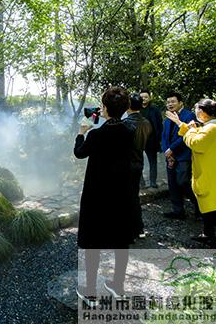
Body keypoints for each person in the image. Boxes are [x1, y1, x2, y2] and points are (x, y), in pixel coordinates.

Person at [74, 86, 134, 302]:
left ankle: (90, 292)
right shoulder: (130, 131)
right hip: (122, 193)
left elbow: (79, 153)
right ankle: (118, 286)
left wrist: (81, 132)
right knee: (120, 240)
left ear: (105, 108)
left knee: (92, 241)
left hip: (97, 193)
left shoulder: (96, 134)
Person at [166, 99, 216, 248]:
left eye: (196, 110)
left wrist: (189, 129)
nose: (195, 113)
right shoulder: (211, 125)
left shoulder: (212, 128)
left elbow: (196, 143)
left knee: (214, 210)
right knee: (207, 208)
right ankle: (208, 235)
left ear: (202, 112)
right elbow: (196, 134)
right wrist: (180, 123)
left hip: (209, 173)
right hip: (209, 171)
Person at [162, 92, 198, 219]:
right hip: (170, 156)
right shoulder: (168, 118)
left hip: (183, 155)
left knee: (183, 182)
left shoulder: (189, 115)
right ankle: (178, 211)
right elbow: (164, 137)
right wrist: (167, 152)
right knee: (172, 184)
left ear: (180, 103)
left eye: (173, 101)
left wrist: (172, 149)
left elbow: (187, 134)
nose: (170, 104)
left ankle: (200, 207)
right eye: (168, 102)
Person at [124, 93, 152, 239]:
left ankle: (129, 231)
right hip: (138, 163)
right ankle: (138, 228)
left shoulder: (126, 123)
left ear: (128, 106)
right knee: (134, 197)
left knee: (125, 198)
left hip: (126, 165)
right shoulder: (146, 122)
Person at [140, 89, 163, 189]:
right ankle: (141, 183)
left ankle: (153, 181)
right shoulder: (136, 109)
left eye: (146, 97)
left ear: (150, 98)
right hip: (139, 140)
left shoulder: (155, 109)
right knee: (138, 162)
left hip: (152, 140)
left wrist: (159, 138)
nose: (144, 99)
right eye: (142, 97)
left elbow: (159, 124)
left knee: (153, 161)